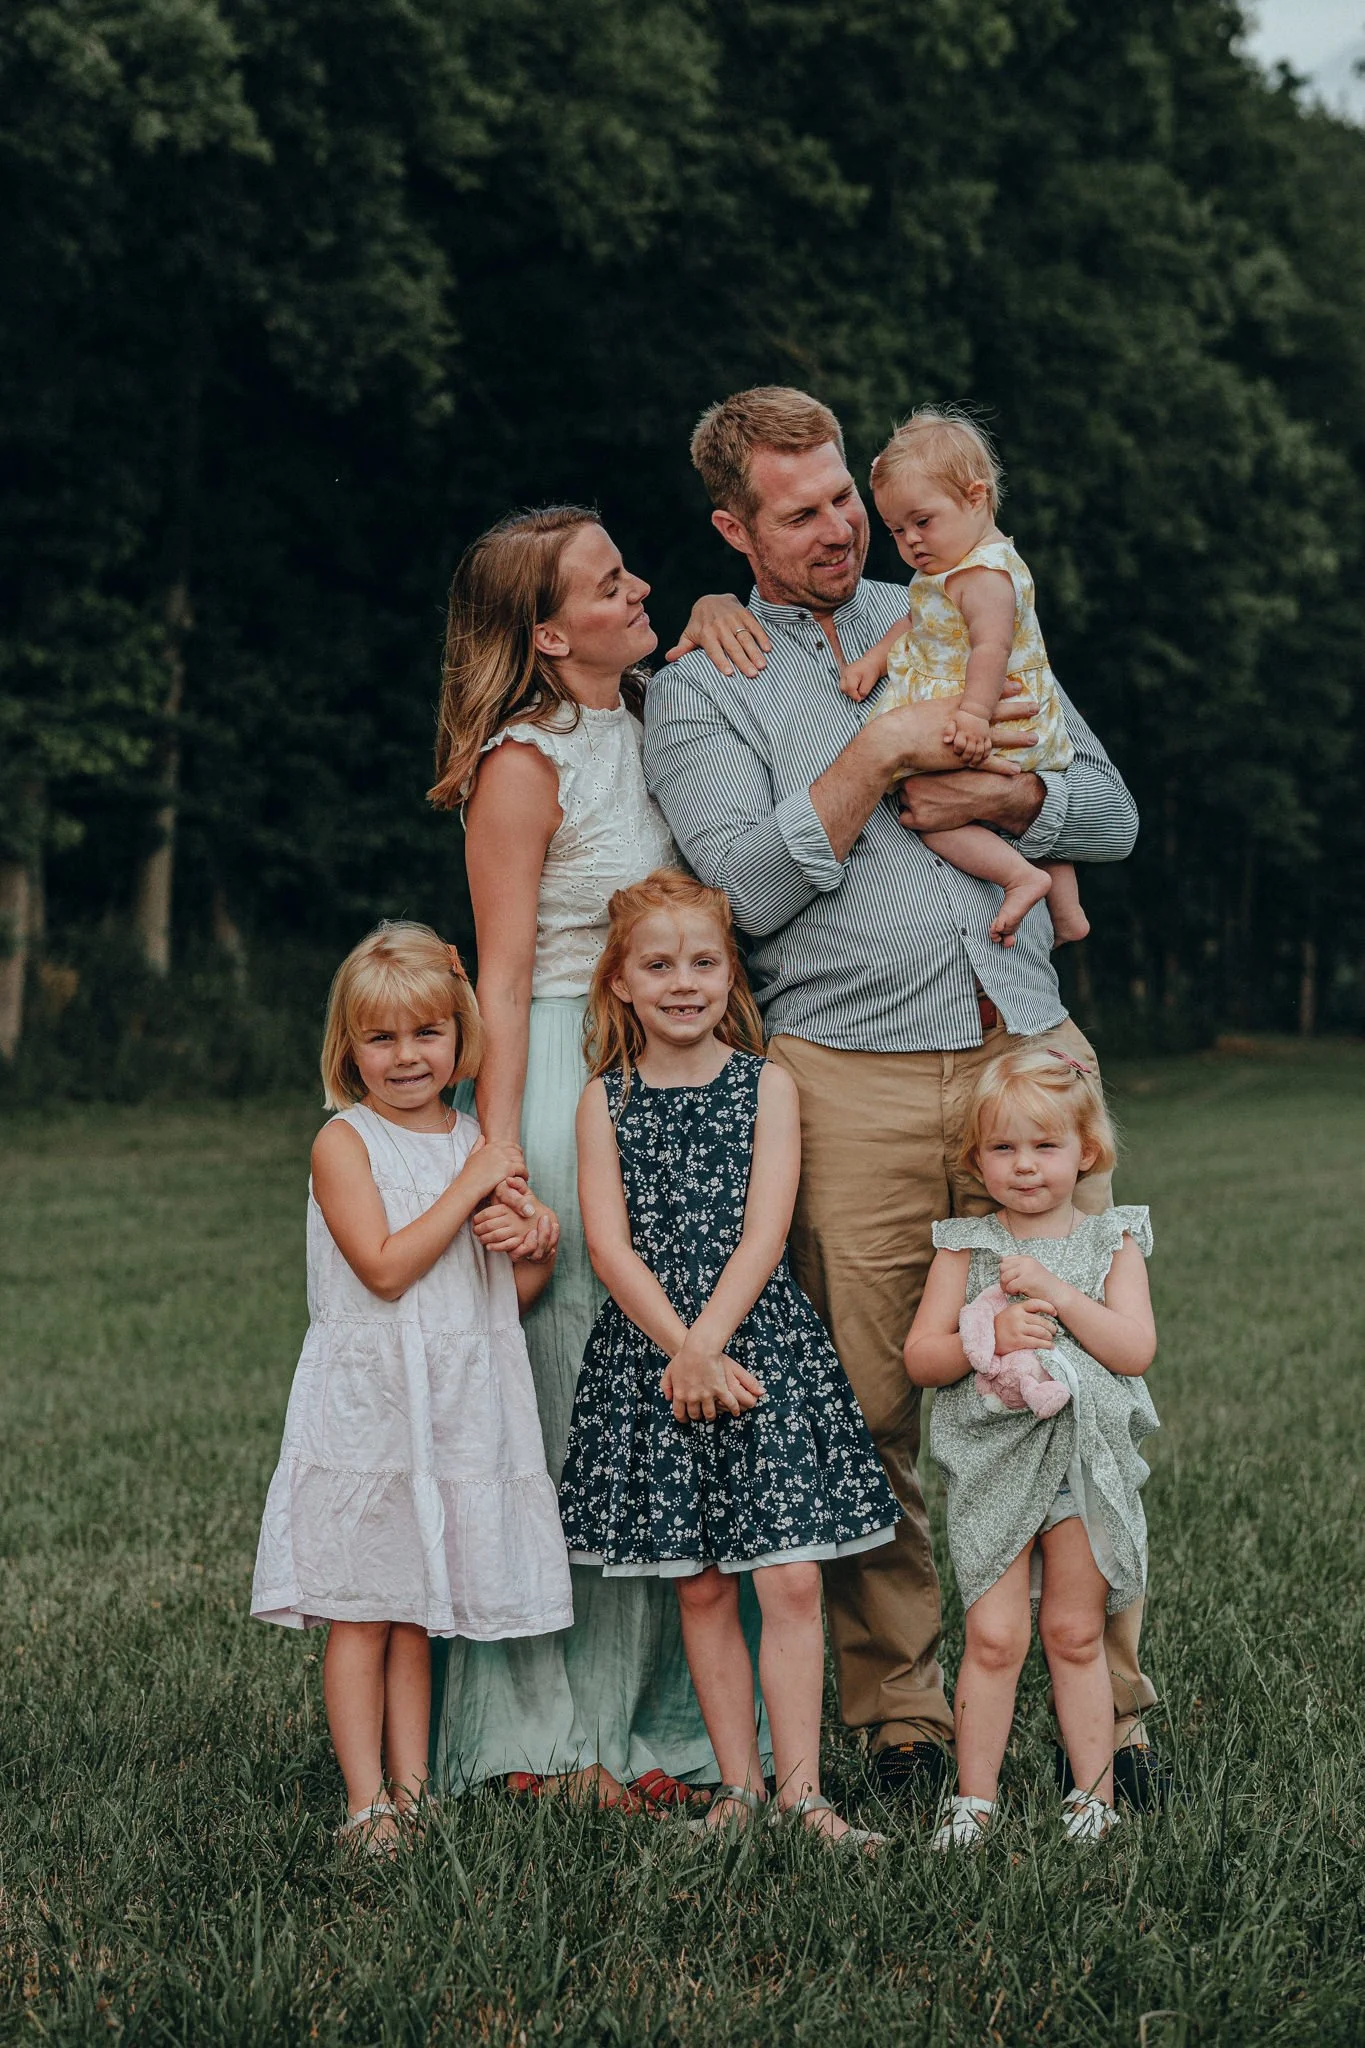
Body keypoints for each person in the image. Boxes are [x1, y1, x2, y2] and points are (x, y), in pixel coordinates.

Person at [647, 385, 1163, 1809]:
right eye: (800, 510)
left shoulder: (948, 596)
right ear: (732, 527)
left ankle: (1108, 1718)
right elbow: (738, 887)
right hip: (847, 1077)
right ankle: (903, 1716)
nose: (839, 528)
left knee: (1088, 1384)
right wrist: (872, 755)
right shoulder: (703, 683)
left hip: (1033, 1061)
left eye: (843, 498)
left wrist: (1009, 807)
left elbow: (1108, 808)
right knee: (872, 1400)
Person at [426, 506, 722, 1810]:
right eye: (611, 583)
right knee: (559, 1411)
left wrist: (716, 627)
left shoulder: (660, 711)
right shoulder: (522, 763)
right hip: (555, 1073)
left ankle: (660, 1725)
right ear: (548, 635)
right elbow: (494, 966)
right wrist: (498, 1159)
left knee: (667, 1396)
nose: (640, 586)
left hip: (666, 1070)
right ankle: (533, 1735)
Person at [559, 870, 900, 1848]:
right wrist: (679, 1347)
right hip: (653, 1358)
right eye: (658, 963)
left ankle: (803, 1793)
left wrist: (710, 1342)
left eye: (703, 961)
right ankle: (740, 1790)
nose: (683, 981)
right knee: (702, 1579)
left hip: (759, 1347)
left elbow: (766, 1227)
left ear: (729, 973)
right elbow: (608, 1244)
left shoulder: (768, 1085)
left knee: (787, 1577)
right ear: (620, 980)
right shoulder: (605, 1100)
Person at [250, 922, 573, 1854]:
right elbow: (387, 1270)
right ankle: (365, 1802)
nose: (405, 1057)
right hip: (372, 1400)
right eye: (381, 1038)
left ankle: (415, 1791)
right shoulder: (343, 1143)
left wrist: (536, 1250)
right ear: (348, 1048)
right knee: (364, 1608)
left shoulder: (473, 1137)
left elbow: (496, 1295)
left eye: (427, 1034)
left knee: (416, 1605)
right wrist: (471, 1181)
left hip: (455, 1397)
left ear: (458, 1035)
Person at [904, 1044, 1157, 1847]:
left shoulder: (1110, 1240)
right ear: (976, 1158)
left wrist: (1054, 1295)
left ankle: (1091, 1799)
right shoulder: (965, 1246)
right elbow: (922, 1358)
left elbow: (1131, 1349)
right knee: (993, 1635)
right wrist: (990, 1338)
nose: (1023, 1167)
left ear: (1085, 1152)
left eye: (1044, 1147)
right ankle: (972, 1803)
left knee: (1074, 1633)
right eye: (1002, 1148)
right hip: (993, 1468)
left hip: (1081, 1470)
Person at [839, 407, 1087, 948]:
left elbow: (992, 648)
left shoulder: (984, 578)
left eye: (922, 522)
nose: (910, 542)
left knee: (931, 815)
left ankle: (1021, 877)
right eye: (896, 530)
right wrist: (874, 660)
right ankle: (1068, 913)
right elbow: (917, 621)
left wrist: (974, 715)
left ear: (976, 497)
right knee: (1041, 819)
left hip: (995, 717)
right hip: (1023, 731)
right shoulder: (952, 568)